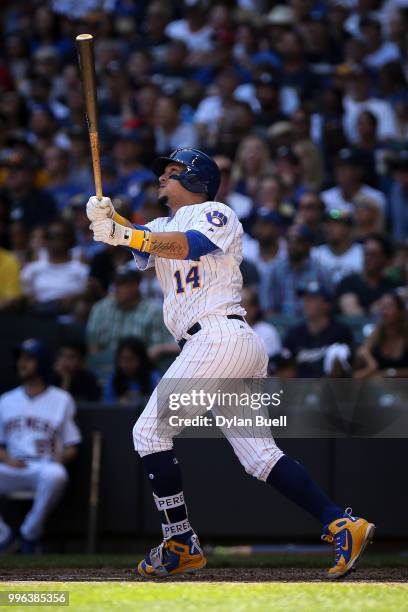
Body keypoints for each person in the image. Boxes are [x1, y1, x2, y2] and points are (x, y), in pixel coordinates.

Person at [86, 146, 374, 579]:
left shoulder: (217, 213)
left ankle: (179, 542)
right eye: (162, 171)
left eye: (172, 170)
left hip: (217, 335)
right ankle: (342, 524)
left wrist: (127, 234)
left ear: (198, 178)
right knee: (259, 457)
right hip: (220, 345)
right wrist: (109, 221)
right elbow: (142, 243)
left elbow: (189, 247)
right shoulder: (162, 224)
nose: (162, 177)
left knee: (148, 432)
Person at [0, 339, 81, 553]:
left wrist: (61, 457)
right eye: (20, 359)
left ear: (42, 363)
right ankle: (4, 536)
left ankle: (29, 534)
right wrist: (7, 459)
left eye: (29, 359)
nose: (21, 364)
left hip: (42, 467)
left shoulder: (62, 399)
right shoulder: (6, 400)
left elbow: (73, 445)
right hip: (11, 467)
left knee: (56, 475)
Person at [282, 282, 353, 378]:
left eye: (312, 299)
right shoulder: (294, 333)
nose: (306, 303)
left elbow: (342, 371)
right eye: (305, 299)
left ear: (326, 305)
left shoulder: (340, 332)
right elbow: (284, 367)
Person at [336, 234, 399, 316]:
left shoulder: (393, 286)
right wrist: (380, 306)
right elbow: (353, 314)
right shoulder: (348, 283)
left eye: (373, 254)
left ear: (386, 259)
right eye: (366, 253)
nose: (367, 258)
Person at [354, 291, 408, 379]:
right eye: (382, 307)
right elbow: (363, 351)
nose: (384, 312)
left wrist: (390, 373)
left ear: (400, 311)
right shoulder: (377, 332)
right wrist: (372, 365)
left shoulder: (406, 335)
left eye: (389, 307)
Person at [312, 209, 363, 285]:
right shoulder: (315, 254)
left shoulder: (363, 253)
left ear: (348, 229)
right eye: (328, 224)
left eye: (335, 224)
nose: (329, 228)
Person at [103, 337, 160, 405]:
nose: (125, 364)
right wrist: (120, 402)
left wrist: (140, 400)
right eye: (122, 359)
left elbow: (162, 404)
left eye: (131, 359)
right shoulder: (113, 379)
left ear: (141, 360)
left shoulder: (153, 377)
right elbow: (107, 406)